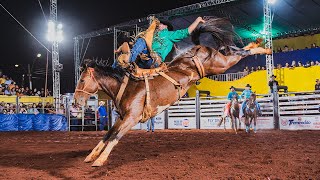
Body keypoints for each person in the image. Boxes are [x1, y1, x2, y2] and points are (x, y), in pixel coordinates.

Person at [114, 16, 206, 69]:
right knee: (122, 56)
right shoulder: (152, 35)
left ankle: (129, 58)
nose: (158, 26)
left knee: (142, 39)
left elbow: (186, 32)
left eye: (160, 24)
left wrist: (197, 20)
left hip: (154, 59)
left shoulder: (170, 35)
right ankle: (112, 70)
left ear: (166, 26)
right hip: (143, 58)